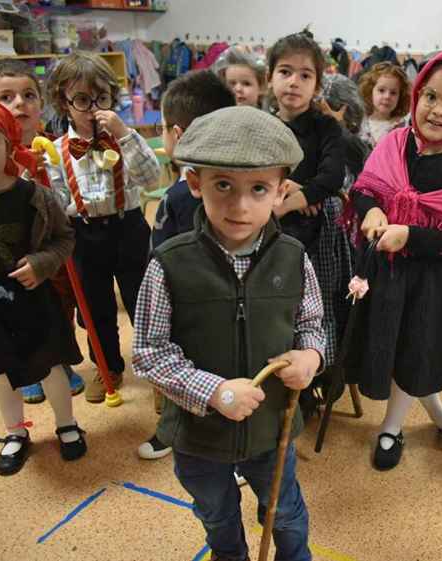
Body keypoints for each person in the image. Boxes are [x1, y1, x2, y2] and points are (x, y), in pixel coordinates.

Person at [133, 106, 324, 561]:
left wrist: (310, 358)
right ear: (195, 183)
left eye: (258, 188)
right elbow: (148, 352)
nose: (240, 205)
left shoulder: (294, 258)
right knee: (217, 515)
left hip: (271, 428)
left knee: (286, 512)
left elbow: (312, 324)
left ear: (281, 190)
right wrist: (213, 391)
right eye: (223, 186)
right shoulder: (169, 263)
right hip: (199, 437)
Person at [341, 46, 442, 470]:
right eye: (431, 97)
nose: (438, 110)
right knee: (395, 347)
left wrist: (411, 235)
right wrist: (373, 211)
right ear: (416, 96)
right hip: (384, 274)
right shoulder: (394, 143)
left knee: (414, 349)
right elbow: (365, 188)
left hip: (428, 284)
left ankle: (392, 428)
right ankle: (439, 415)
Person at [45, 52, 160, 402]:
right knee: (94, 307)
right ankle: (107, 365)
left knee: (145, 302)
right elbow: (56, 199)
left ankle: (159, 371)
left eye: (102, 98)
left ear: (113, 97)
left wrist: (125, 136)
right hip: (84, 234)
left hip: (129, 229)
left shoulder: (126, 139)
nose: (93, 108)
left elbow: (152, 176)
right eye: (82, 99)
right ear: (64, 103)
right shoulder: (56, 150)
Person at [136, 69, 236, 461]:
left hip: (198, 307)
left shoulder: (186, 197)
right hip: (182, 307)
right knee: (185, 377)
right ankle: (172, 431)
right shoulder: (191, 190)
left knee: (208, 375)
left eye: (162, 128)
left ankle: (229, 450)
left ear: (176, 134)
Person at [0, 105, 87, 476]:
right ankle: (15, 432)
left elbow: (65, 238)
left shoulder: (36, 196)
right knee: (0, 373)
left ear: (7, 142)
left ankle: (67, 424)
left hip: (35, 302)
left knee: (51, 367)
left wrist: (43, 263)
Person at [267, 30, 349, 382]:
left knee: (314, 306)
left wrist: (284, 204)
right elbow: (253, 173)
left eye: (305, 75)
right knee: (271, 303)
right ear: (269, 77)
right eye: (285, 72)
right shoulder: (262, 125)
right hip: (265, 231)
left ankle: (317, 370)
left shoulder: (326, 126)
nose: (293, 82)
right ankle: (274, 367)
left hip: (314, 235)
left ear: (317, 85)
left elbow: (331, 178)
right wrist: (300, 190)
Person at [357, 62, 411, 148]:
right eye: (381, 90)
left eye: (393, 93)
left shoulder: (402, 127)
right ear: (370, 91)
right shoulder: (360, 124)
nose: (387, 97)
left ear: (400, 97)